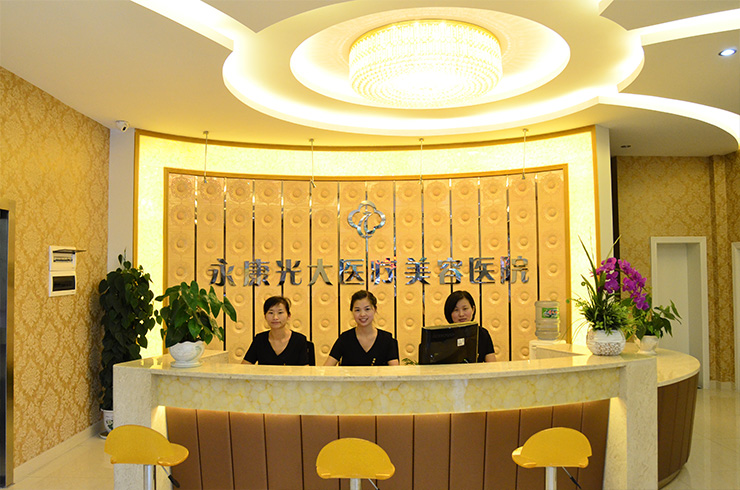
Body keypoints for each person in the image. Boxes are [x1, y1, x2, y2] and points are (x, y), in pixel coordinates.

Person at [324, 290, 400, 366]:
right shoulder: (345, 338)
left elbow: (396, 371)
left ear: (375, 309)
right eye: (357, 310)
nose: (362, 314)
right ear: (352, 311)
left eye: (367, 309)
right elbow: (326, 368)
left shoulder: (387, 339)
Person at [242, 296, 309, 365]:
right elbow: (245, 366)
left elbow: (305, 369)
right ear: (265, 316)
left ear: (289, 315)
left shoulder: (299, 340)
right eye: (271, 313)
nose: (275, 317)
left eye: (280, 312)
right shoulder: (259, 339)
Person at [443, 290, 496, 362]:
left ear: (473, 309)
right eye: (456, 310)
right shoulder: (443, 336)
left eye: (465, 309)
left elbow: (492, 365)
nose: (461, 314)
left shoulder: (482, 333)